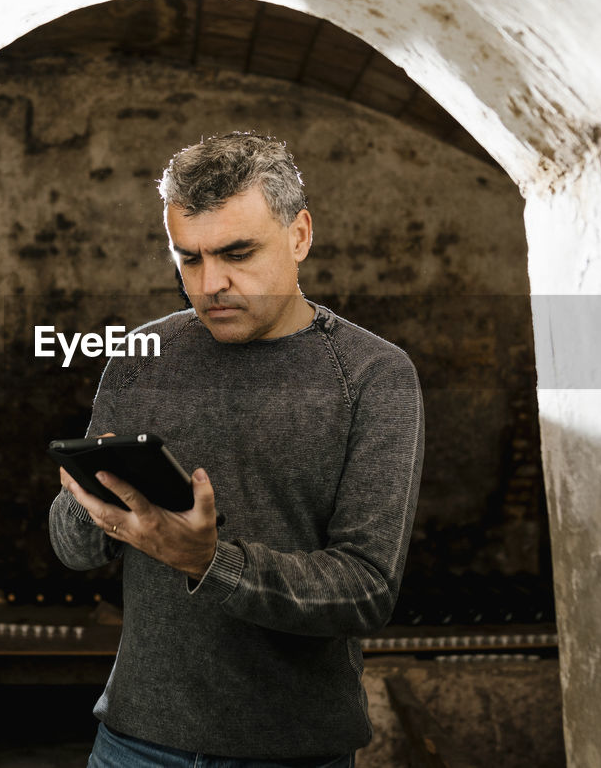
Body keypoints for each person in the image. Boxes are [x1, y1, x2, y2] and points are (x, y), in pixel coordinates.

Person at [48, 132, 424, 767]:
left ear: (299, 235)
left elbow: (367, 590)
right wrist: (92, 505)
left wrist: (208, 561)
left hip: (291, 751)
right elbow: (73, 551)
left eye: (237, 253)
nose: (210, 283)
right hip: (133, 742)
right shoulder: (141, 356)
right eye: (188, 259)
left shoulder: (372, 375)